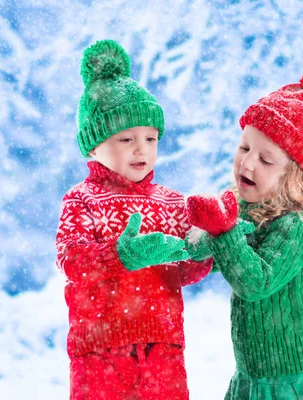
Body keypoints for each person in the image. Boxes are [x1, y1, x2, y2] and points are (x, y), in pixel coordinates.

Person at [185, 62, 303, 399]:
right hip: (253, 379)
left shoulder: (301, 223)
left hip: (298, 381)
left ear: (293, 175)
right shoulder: (244, 208)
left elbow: (255, 282)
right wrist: (192, 237)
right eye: (244, 148)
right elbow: (203, 250)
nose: (247, 163)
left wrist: (221, 231)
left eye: (266, 160)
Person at [55, 39, 212, 400]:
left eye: (151, 138)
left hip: (164, 350)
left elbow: (183, 269)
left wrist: (204, 249)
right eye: (126, 138)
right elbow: (71, 261)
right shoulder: (82, 200)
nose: (142, 149)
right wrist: (120, 255)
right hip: (100, 354)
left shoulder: (172, 202)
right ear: (93, 146)